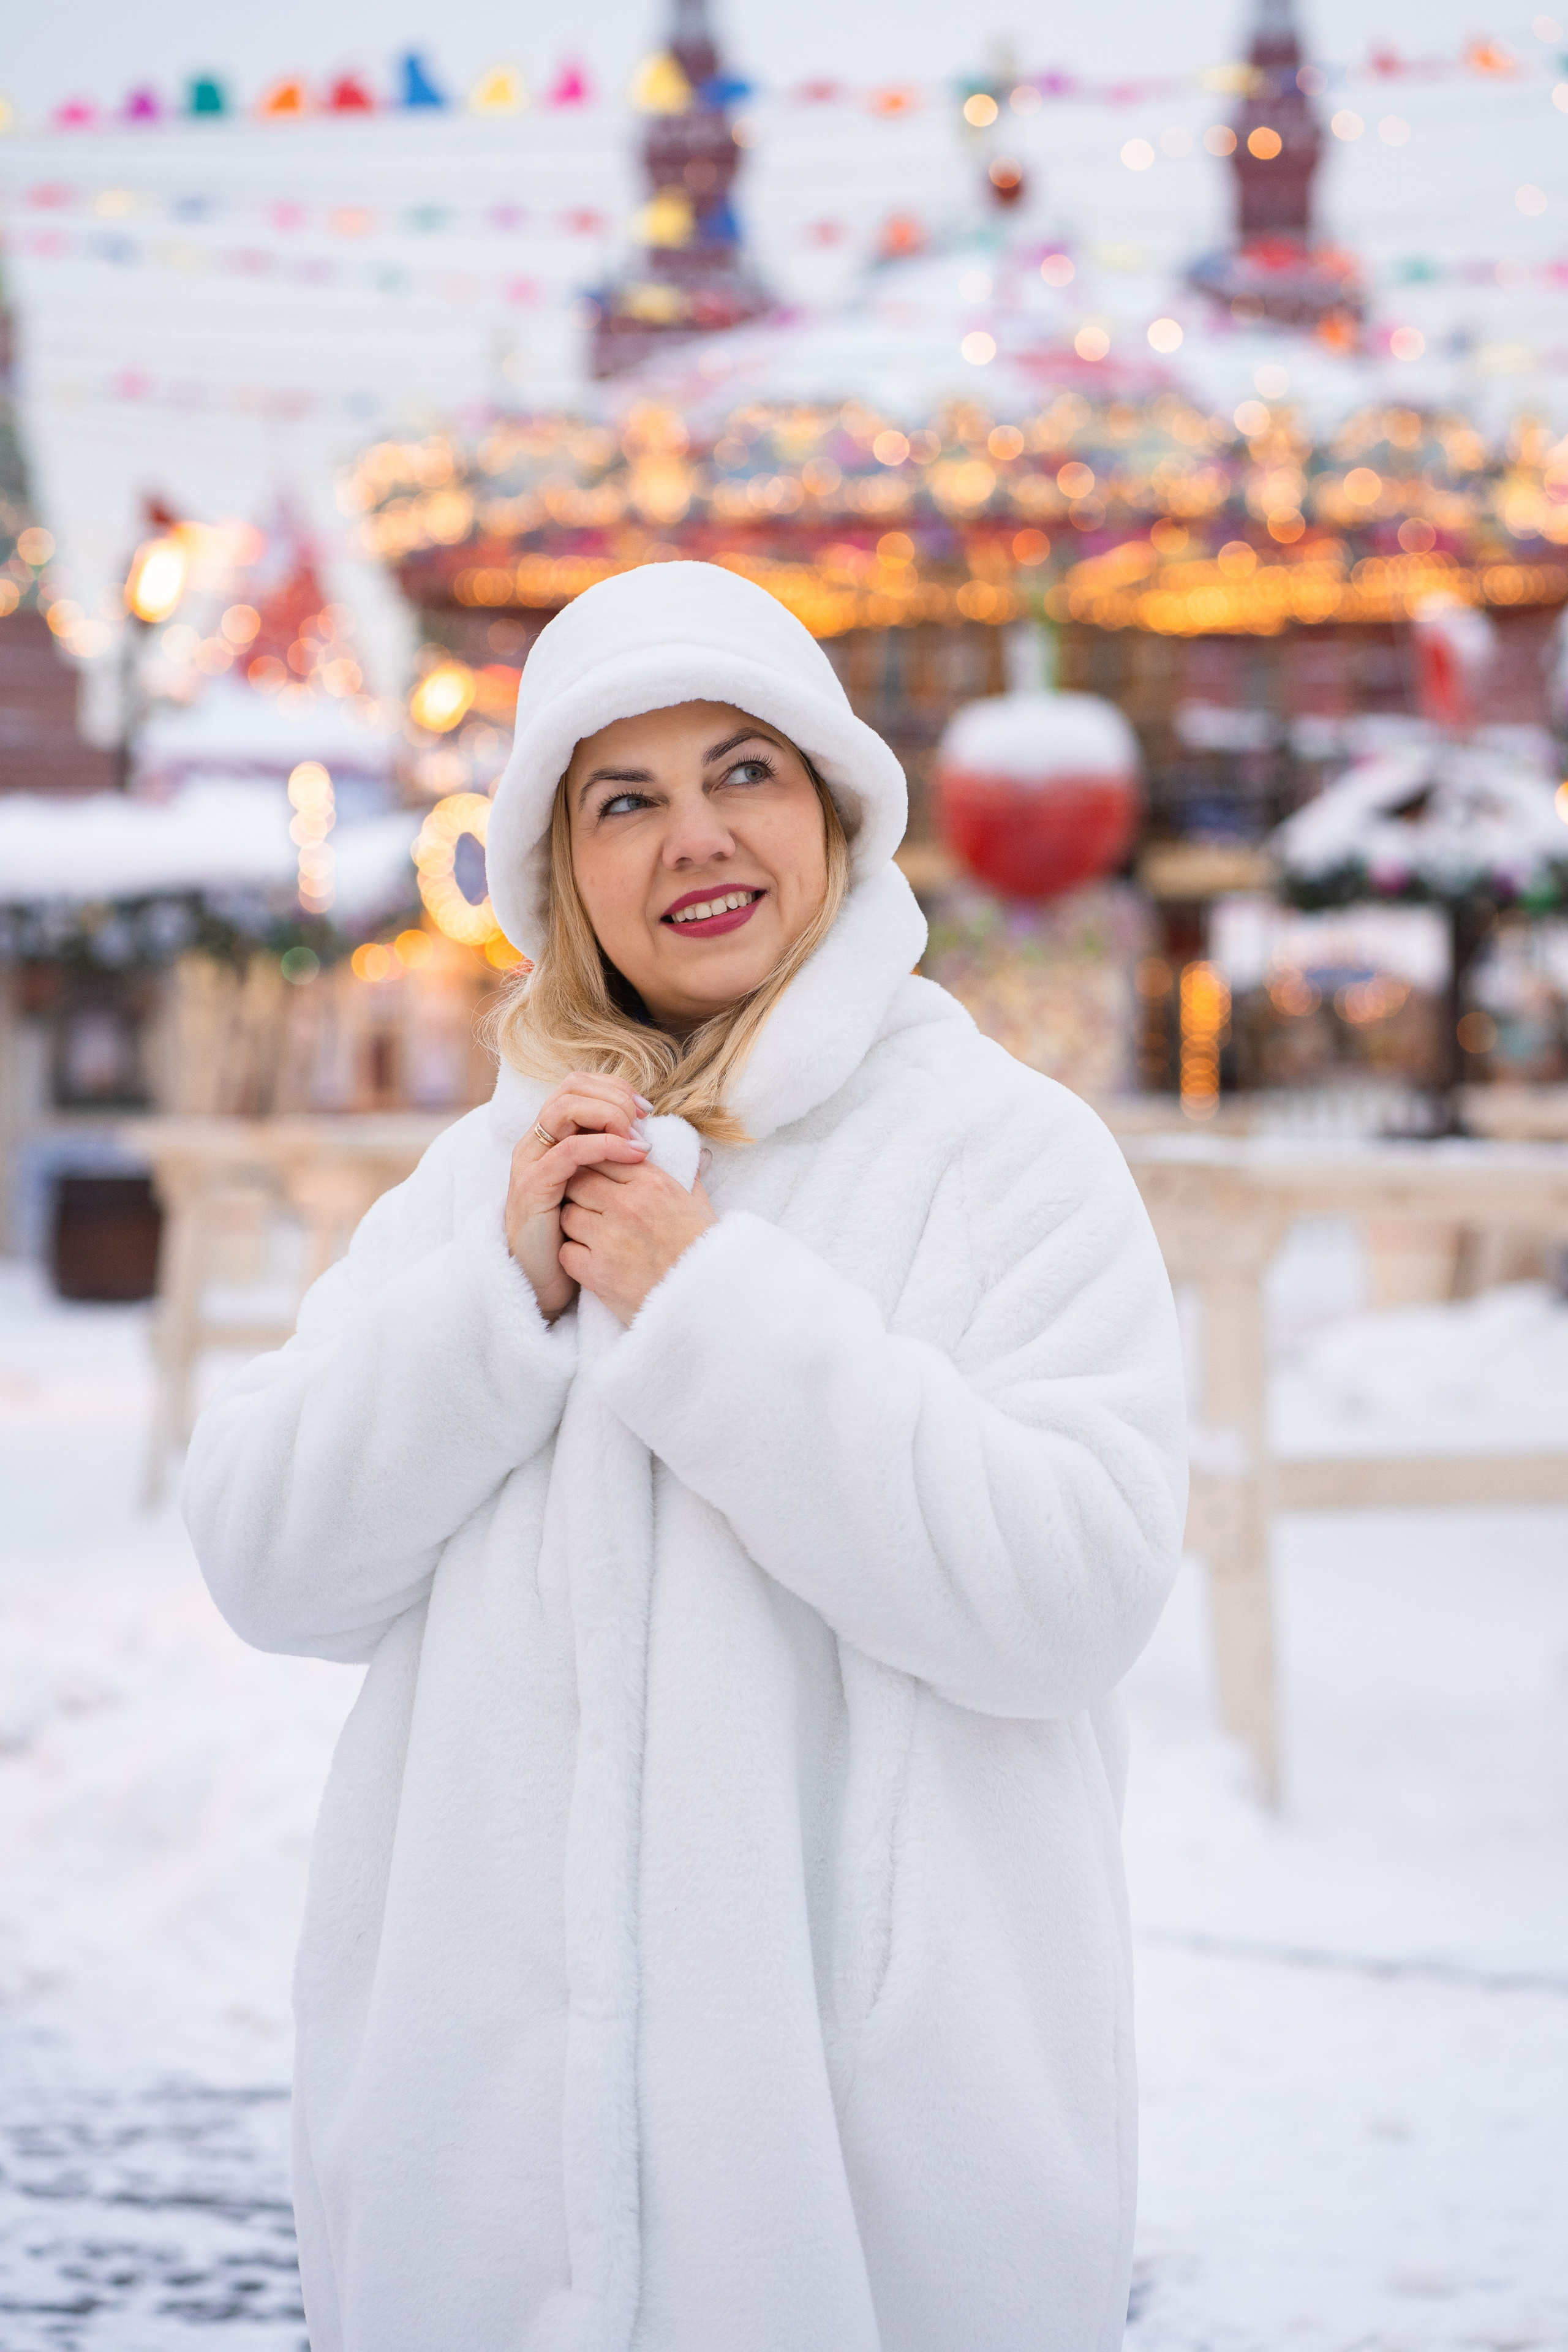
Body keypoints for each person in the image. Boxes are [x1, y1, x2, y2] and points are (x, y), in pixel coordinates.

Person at [183, 561, 1187, 2352]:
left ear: (834, 808)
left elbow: (1075, 1597)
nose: (694, 840)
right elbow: (268, 1561)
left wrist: (709, 1307)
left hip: (860, 2184)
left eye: (744, 773)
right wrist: (495, 1302)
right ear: (558, 864)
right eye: (621, 800)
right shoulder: (493, 1176)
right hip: (473, 2190)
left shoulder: (1002, 1158)